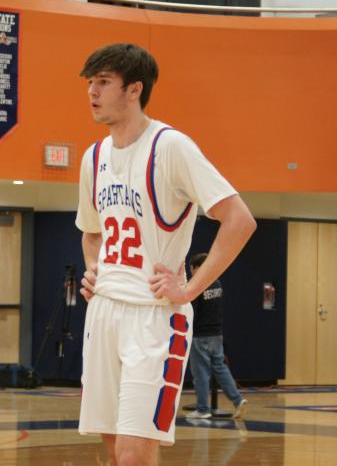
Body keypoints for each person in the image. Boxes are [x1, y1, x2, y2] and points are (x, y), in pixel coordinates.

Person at [75, 43, 256, 466]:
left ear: (134, 89)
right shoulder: (93, 157)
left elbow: (240, 220)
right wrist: (93, 271)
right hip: (103, 313)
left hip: (154, 315)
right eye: (90, 83)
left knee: (136, 454)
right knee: (113, 449)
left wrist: (190, 288)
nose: (92, 92)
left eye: (103, 82)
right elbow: (91, 232)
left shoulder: (170, 147)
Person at [185, 252, 247, 420]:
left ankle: (203, 409)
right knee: (220, 369)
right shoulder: (217, 283)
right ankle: (238, 400)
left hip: (200, 335)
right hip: (216, 334)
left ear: (197, 268)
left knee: (201, 374)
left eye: (192, 268)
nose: (190, 271)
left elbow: (193, 313)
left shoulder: (197, 286)